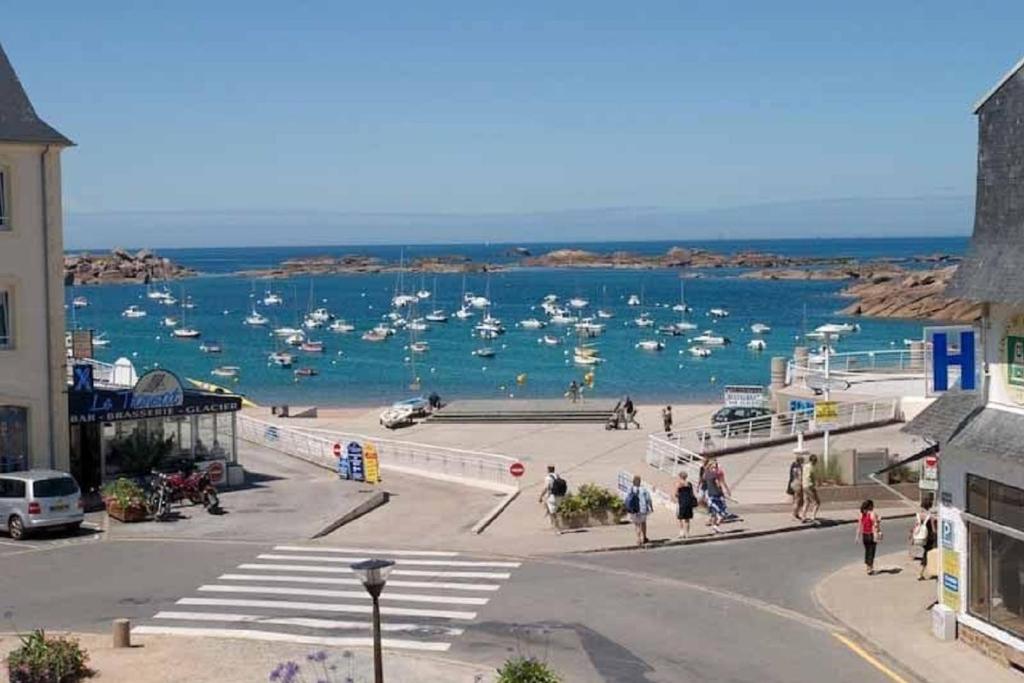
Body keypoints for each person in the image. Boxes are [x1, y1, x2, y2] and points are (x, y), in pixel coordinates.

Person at [702, 458, 731, 533]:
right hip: (715, 495)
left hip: (713, 495)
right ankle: (715, 526)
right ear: (710, 466)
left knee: (716, 513)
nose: (715, 468)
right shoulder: (714, 474)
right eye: (714, 466)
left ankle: (715, 526)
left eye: (715, 466)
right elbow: (719, 484)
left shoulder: (706, 473)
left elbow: (704, 481)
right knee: (721, 513)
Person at [910, 501, 937, 580]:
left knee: (925, 553)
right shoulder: (930, 516)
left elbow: (916, 526)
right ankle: (920, 572)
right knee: (927, 554)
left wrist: (912, 537)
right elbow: (933, 530)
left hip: (920, 537)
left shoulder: (918, 515)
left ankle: (921, 571)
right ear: (929, 507)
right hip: (928, 538)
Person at [625, 474, 654, 546]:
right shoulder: (643, 489)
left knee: (637, 524)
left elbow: (627, 499)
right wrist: (651, 507)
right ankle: (644, 537)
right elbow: (648, 499)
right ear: (640, 482)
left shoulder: (630, 489)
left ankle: (638, 539)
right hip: (643, 509)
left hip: (634, 510)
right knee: (643, 523)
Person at [858, 499, 882, 575]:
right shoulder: (872, 514)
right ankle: (870, 568)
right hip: (871, 534)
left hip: (864, 535)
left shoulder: (862, 514)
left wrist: (857, 536)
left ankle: (868, 566)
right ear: (870, 506)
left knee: (867, 551)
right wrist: (879, 521)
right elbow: (875, 525)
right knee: (872, 551)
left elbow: (860, 526)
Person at [674, 471, 697, 538]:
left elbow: (676, 494)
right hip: (688, 502)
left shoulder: (678, 484)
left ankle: (682, 532)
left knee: (680, 518)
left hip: (681, 502)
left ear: (680, 477)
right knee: (687, 519)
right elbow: (692, 493)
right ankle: (688, 533)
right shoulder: (689, 484)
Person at [801, 454, 821, 523]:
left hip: (804, 485)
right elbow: (811, 477)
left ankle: (803, 516)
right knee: (816, 502)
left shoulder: (805, 466)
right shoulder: (812, 468)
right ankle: (813, 517)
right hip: (809, 486)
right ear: (814, 461)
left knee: (806, 501)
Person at [788, 454, 805, 521]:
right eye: (802, 460)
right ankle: (794, 514)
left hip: (793, 483)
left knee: (795, 499)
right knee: (798, 500)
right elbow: (800, 477)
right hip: (797, 484)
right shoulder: (798, 467)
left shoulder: (793, 465)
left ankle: (796, 514)